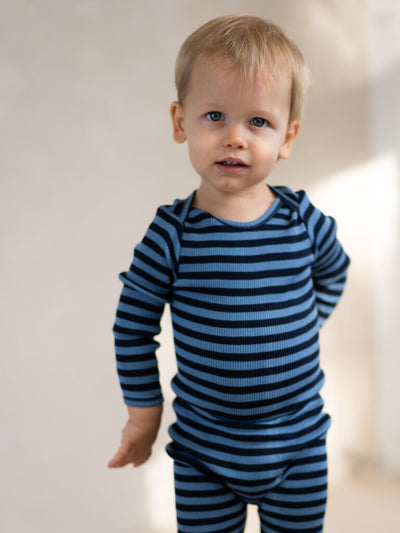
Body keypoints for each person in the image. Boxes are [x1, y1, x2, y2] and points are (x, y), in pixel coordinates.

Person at [108, 14, 350, 533]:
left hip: (298, 446)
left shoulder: (303, 221)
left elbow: (334, 273)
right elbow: (132, 328)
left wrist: (306, 325)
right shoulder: (172, 235)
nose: (235, 137)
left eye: (258, 121)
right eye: (215, 116)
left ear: (287, 136)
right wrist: (143, 416)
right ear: (181, 123)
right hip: (204, 453)